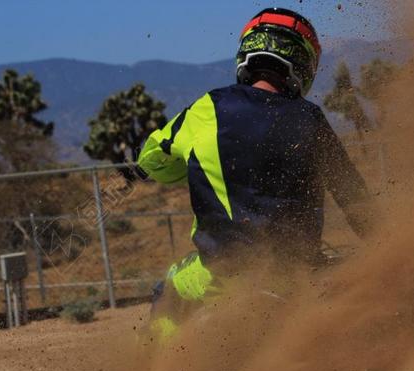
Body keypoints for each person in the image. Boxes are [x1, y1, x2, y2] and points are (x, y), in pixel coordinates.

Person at [138, 7, 374, 340]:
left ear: (248, 51)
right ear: (305, 63)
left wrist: (191, 167)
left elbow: (151, 159)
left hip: (221, 272)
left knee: (170, 291)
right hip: (298, 276)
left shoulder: (209, 107)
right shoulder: (313, 120)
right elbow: (355, 198)